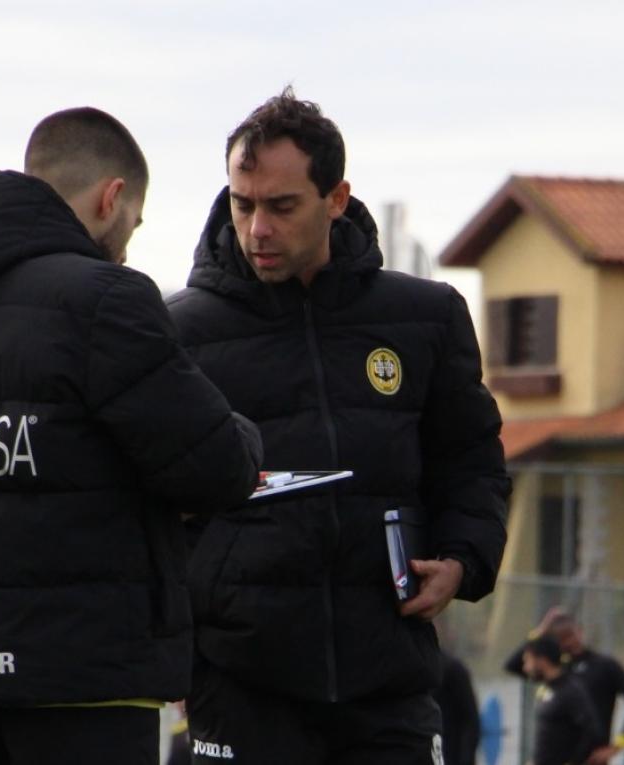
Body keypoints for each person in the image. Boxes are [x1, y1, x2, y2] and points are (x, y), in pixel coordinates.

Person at [166, 87, 510, 764]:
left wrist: (463, 560)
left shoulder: (425, 318)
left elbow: (471, 461)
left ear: (337, 198)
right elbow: (153, 499)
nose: (258, 228)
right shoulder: (180, 332)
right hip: (239, 679)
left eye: (282, 206)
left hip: (387, 678)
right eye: (243, 204)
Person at [0, 108, 263, 764]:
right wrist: (244, 435)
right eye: (136, 221)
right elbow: (215, 465)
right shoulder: (103, 300)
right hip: (81, 673)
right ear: (111, 198)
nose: (127, 240)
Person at [505, 607, 624, 763]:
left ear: (580, 631)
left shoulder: (604, 666)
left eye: (571, 635)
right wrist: (541, 630)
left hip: (589, 757)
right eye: (562, 638)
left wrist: (617, 746)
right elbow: (516, 665)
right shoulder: (556, 670)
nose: (569, 642)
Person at [521, 635, 604, 765]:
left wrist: (574, 761)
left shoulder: (570, 690)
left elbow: (593, 732)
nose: (525, 668)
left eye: (528, 661)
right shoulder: (548, 688)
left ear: (541, 660)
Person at [432, 650, 481, 765]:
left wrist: (466, 759)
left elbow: (470, 719)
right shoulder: (413, 671)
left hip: (452, 755)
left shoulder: (452, 668)